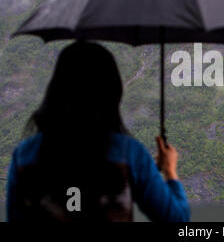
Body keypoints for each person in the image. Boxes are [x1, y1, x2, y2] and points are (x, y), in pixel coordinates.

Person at [6, 41, 190, 222]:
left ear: (56, 90)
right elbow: (176, 218)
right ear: (111, 92)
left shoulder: (24, 155)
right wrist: (169, 171)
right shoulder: (130, 153)